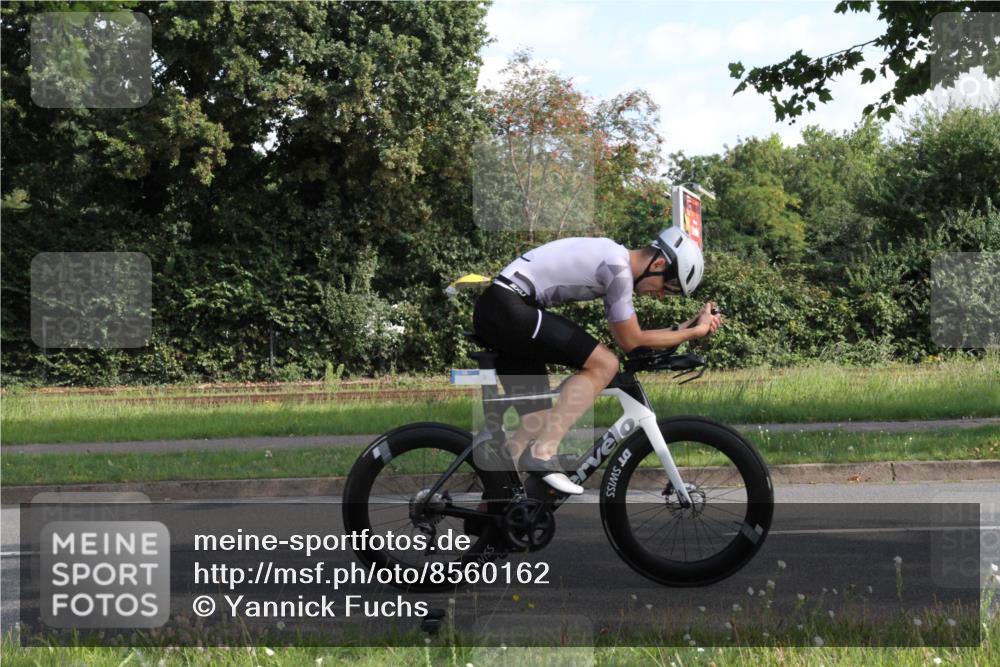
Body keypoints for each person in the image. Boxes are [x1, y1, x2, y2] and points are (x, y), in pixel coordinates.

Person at [472, 228, 722, 495]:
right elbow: (632, 342)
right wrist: (693, 332)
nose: (661, 295)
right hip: (509, 308)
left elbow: (634, 338)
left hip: (502, 310)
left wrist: (688, 327)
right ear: (658, 264)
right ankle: (543, 452)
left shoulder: (615, 261)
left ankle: (496, 501)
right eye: (667, 287)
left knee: (540, 418)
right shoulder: (617, 268)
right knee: (604, 364)